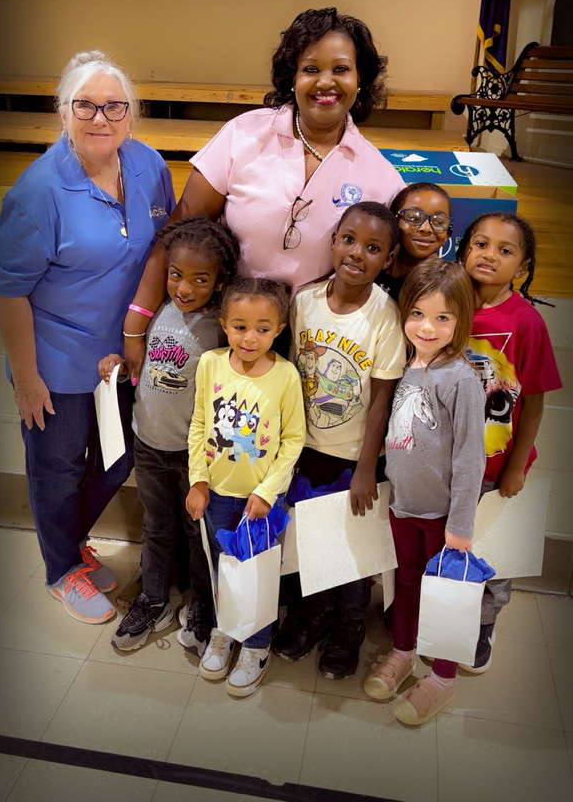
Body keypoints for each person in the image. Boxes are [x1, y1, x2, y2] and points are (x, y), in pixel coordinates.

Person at [123, 7, 405, 378]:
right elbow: (178, 234)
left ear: (360, 79)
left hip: (311, 346)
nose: (325, 81)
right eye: (310, 68)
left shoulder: (381, 177)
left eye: (340, 69)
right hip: (224, 328)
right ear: (291, 77)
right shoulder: (243, 135)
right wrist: (135, 323)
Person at [0, 50, 174, 623]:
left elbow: (161, 248)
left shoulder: (148, 166)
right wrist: (26, 379)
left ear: (131, 113)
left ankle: (68, 545)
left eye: (114, 106)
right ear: (64, 112)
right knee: (59, 466)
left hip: (124, 353)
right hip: (57, 359)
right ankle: (60, 569)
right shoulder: (38, 191)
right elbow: (9, 291)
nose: (101, 118)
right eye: (86, 106)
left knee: (120, 460)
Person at [272, 201, 407, 679]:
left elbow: (380, 401)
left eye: (373, 248)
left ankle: (350, 624)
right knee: (312, 543)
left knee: (352, 548)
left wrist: (368, 468)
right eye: (348, 240)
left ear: (388, 260)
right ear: (332, 241)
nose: (356, 253)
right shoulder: (304, 301)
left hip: (356, 459)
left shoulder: (384, 316)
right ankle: (316, 612)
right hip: (307, 451)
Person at [97, 217, 240, 651]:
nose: (184, 288)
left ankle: (201, 604)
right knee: (158, 528)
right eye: (176, 275)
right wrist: (115, 366)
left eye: (200, 279)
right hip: (149, 445)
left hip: (194, 456)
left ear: (218, 283)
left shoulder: (221, 327)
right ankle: (154, 599)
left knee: (198, 534)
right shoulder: (156, 312)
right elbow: (141, 370)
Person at [363, 258, 485, 726]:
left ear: (460, 321)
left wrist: (460, 525)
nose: (427, 327)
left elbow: (469, 458)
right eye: (417, 313)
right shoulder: (406, 364)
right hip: (403, 506)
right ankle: (404, 651)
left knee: (444, 594)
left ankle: (444, 677)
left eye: (442, 318)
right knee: (408, 583)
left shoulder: (461, 380)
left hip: (442, 518)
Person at [186, 278, 306, 697]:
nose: (249, 337)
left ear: (279, 329)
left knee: (258, 574)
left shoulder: (286, 375)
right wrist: (198, 480)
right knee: (223, 570)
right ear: (223, 324)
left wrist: (268, 491)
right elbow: (200, 424)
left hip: (262, 501)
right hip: (217, 493)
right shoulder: (210, 364)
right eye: (239, 326)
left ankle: (256, 644)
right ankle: (224, 630)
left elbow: (293, 439)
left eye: (262, 327)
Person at [457, 212, 562, 673]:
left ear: (522, 266)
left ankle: (482, 624)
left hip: (496, 467)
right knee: (448, 543)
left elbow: (535, 404)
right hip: (445, 461)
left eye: (505, 250)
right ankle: (444, 611)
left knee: (491, 556)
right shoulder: (445, 304)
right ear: (464, 250)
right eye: (481, 244)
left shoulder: (527, 322)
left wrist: (516, 465)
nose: (490, 255)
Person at [377, 181, 453, 301]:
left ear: (448, 233)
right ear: (394, 223)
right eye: (414, 218)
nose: (426, 229)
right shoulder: (373, 266)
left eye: (438, 222)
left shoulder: (445, 284)